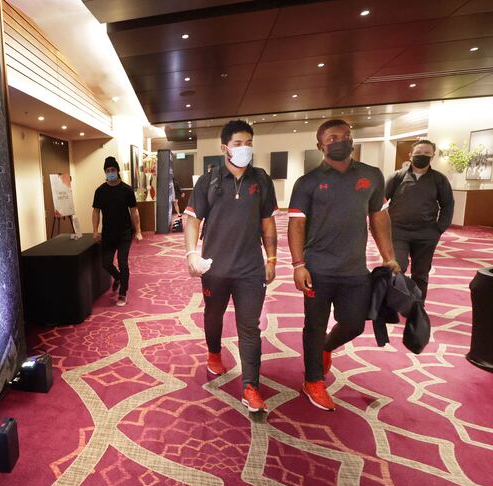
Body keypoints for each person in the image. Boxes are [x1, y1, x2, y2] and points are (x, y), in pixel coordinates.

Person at [288, 119, 400, 412]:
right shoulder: (308, 182)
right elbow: (296, 225)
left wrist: (389, 257)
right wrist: (299, 264)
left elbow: (378, 217)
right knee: (313, 326)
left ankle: (326, 348)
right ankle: (313, 380)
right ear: (320, 145)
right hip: (318, 269)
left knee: (353, 322)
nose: (341, 141)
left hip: (355, 269)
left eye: (346, 136)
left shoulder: (371, 176)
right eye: (333, 137)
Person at [184, 120, 279, 413]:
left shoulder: (261, 180)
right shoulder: (208, 181)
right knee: (214, 315)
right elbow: (192, 219)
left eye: (248, 143)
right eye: (238, 144)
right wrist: (191, 253)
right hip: (215, 268)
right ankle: (214, 353)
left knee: (249, 327)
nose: (245, 148)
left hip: (250, 269)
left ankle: (251, 387)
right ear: (225, 148)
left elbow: (268, 223)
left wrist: (272, 259)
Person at [385, 139, 454, 299]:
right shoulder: (397, 176)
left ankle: (417, 306)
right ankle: (396, 301)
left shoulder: (439, 179)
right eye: (418, 154)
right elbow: (380, 201)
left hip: (426, 234)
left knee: (421, 273)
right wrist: (380, 225)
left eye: (426, 154)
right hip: (398, 232)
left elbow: (448, 205)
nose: (422, 156)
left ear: (433, 156)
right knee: (397, 267)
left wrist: (439, 228)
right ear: (410, 156)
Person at [93, 156, 142, 307]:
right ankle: (118, 277)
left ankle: (123, 293)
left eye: (113, 170)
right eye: (108, 171)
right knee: (106, 263)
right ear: (105, 172)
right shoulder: (100, 191)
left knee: (122, 262)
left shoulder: (126, 190)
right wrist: (95, 231)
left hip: (124, 233)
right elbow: (96, 212)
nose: (110, 172)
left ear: (117, 171)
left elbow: (134, 212)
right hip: (108, 233)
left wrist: (138, 231)